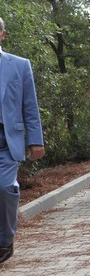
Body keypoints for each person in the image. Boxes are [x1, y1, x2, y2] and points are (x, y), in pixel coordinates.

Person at [0, 17, 45, 263]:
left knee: (5, 188)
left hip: (6, 140)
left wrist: (35, 140)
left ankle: (5, 240)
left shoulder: (19, 65)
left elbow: (30, 105)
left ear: (2, 35)